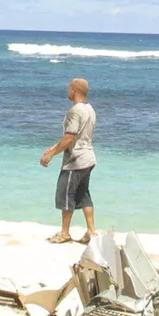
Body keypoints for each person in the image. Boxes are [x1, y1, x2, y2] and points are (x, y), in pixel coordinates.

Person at [40, 77, 97, 244]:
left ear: (74, 90)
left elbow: (69, 138)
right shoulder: (90, 109)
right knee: (83, 195)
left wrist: (51, 155)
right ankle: (91, 231)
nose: (68, 91)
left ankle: (65, 233)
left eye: (69, 88)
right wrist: (54, 147)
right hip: (88, 158)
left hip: (75, 160)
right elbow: (77, 136)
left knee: (66, 195)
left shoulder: (75, 111)